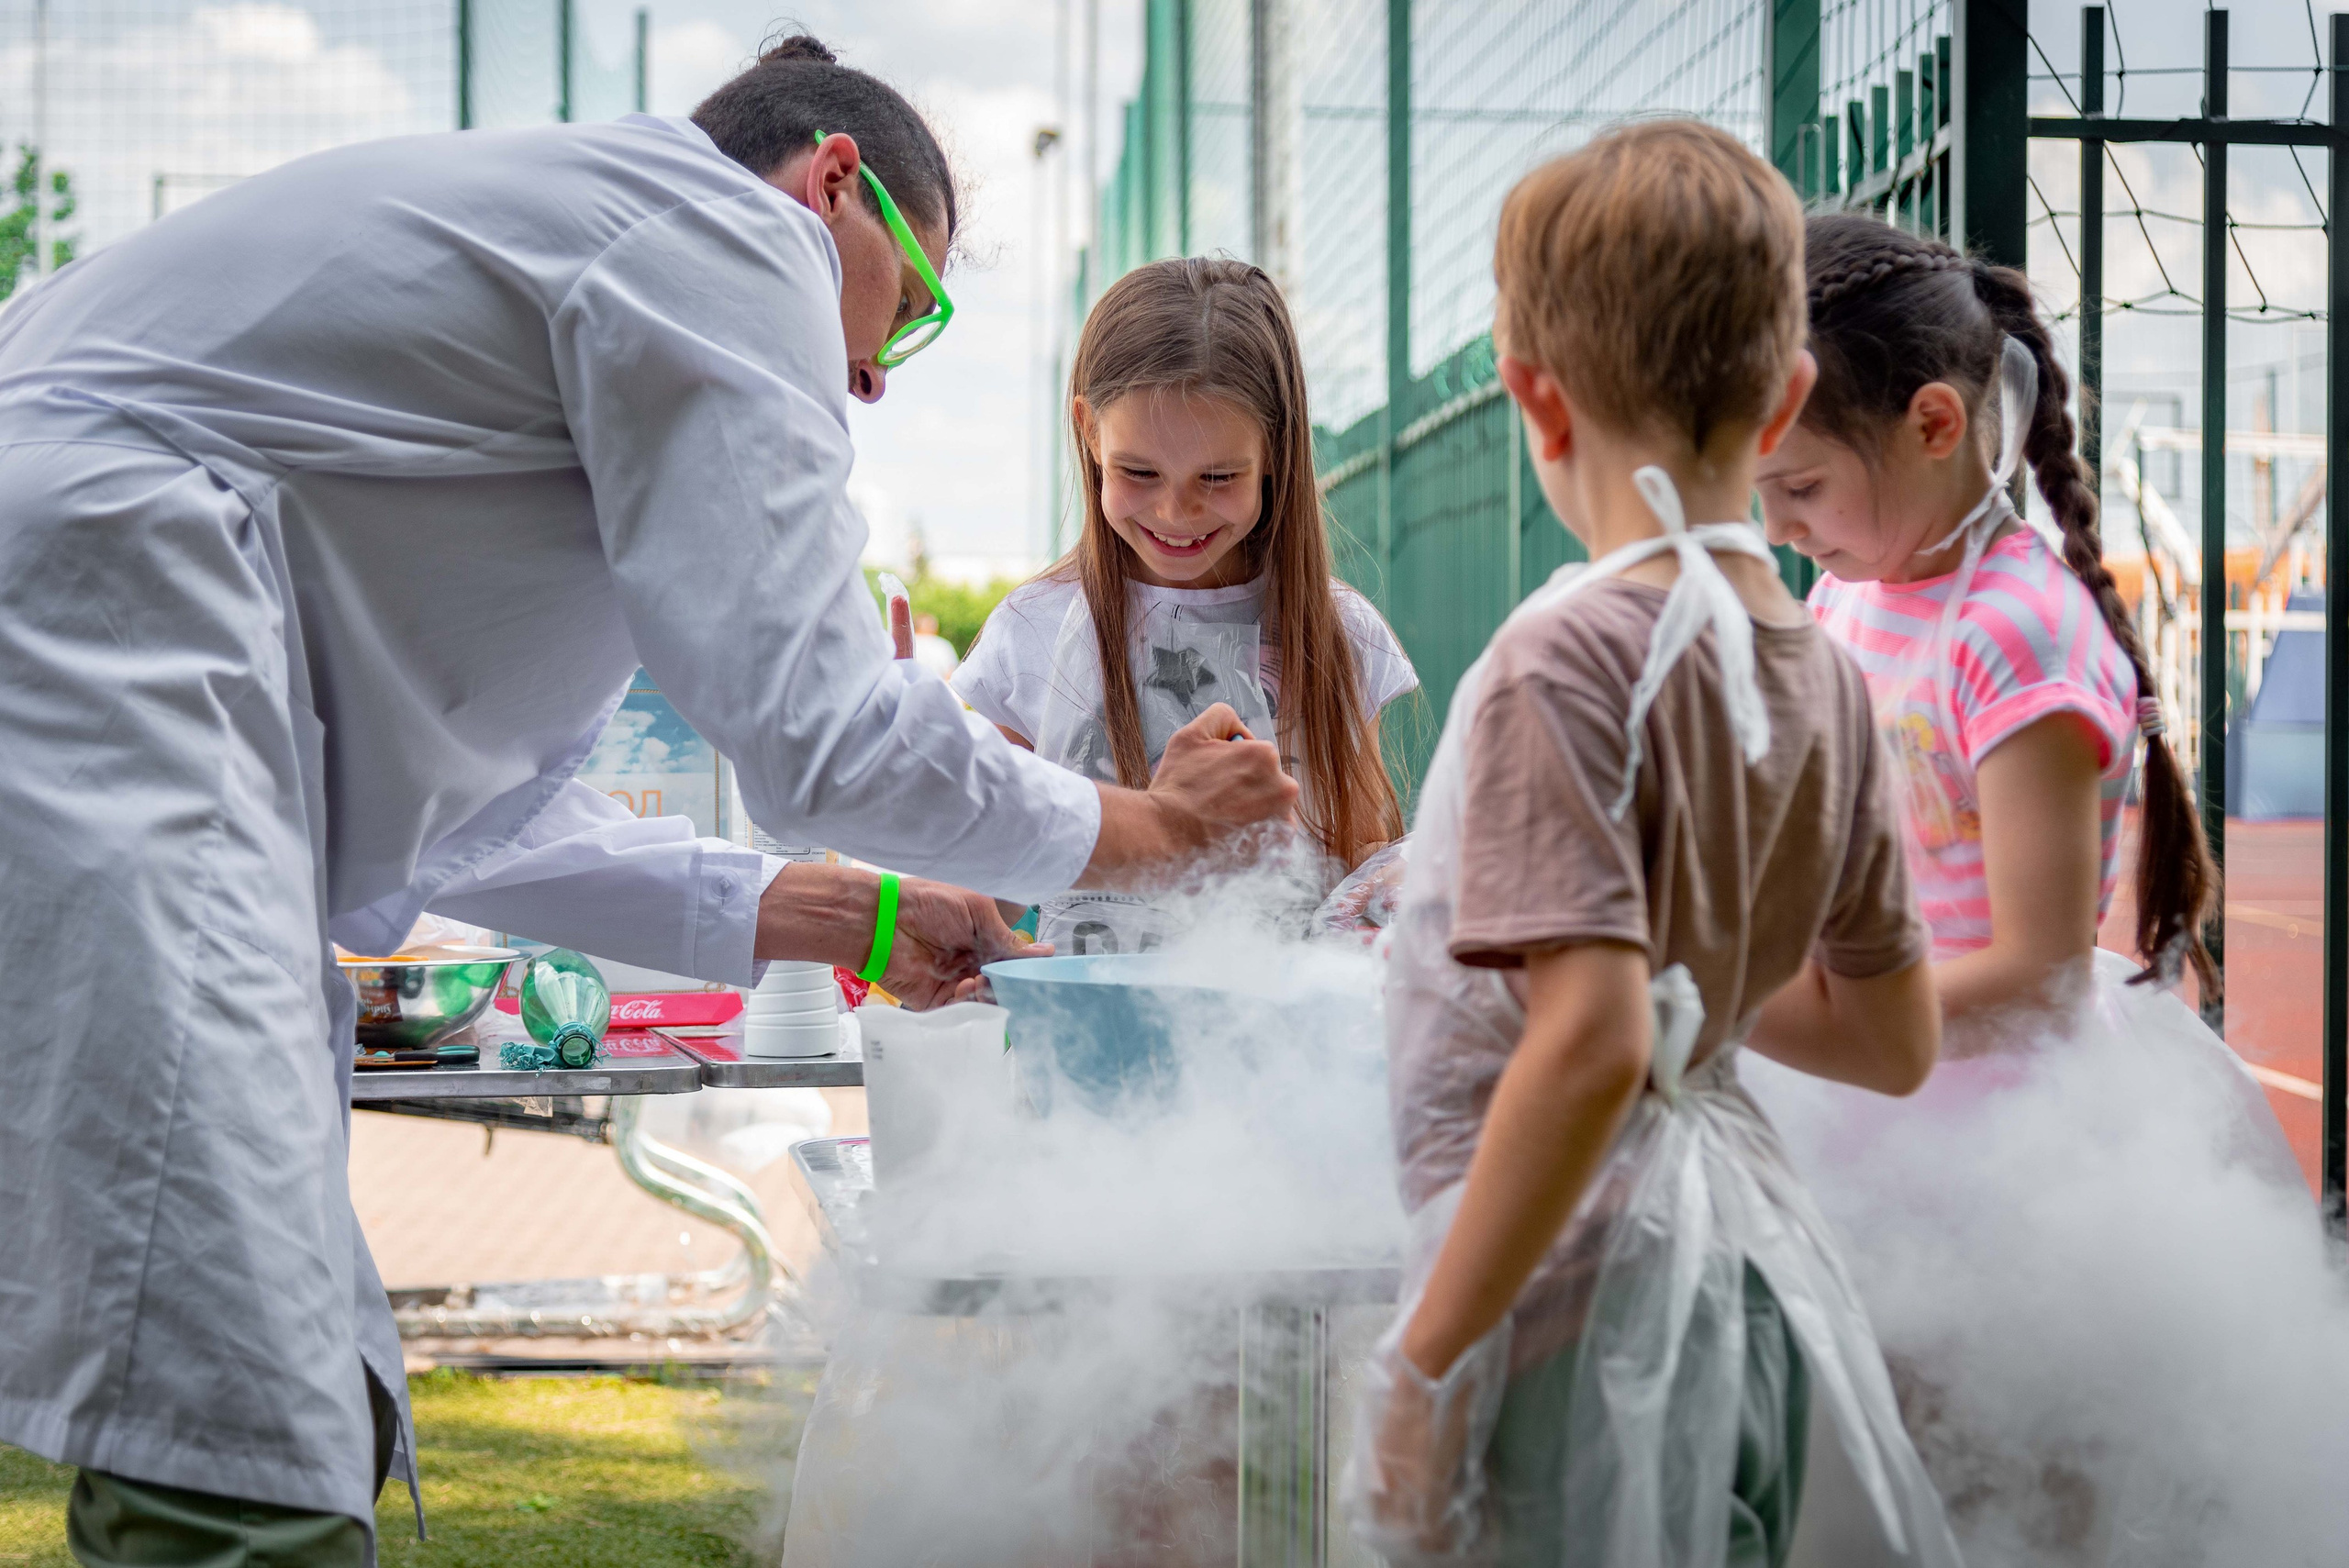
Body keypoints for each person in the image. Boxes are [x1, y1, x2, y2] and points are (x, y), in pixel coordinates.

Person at [0, 35, 1293, 1566]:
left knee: (288, 1375)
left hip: (114, 689)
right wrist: (1148, 827)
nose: (878, 372)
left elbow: (483, 821)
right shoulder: (722, 228)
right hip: (97, 650)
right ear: (832, 184)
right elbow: (818, 735)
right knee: (235, 1419)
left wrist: (862, 907)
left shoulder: (546, 322)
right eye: (915, 306)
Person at [1341, 122, 1963, 1567]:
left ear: (1532, 400)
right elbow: (1893, 1038)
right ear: (1788, 393)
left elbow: (1594, 1039)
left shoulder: (1563, 659)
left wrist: (1428, 1363)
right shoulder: (1822, 672)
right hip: (1750, 1267)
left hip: (1573, 1308)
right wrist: (1695, 990)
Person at [1746, 212, 2321, 1559]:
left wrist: (1748, 1004)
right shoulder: (1853, 591)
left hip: (1994, 1161)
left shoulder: (2018, 632)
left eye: (1803, 487)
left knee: (2002, 1503)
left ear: (1937, 423)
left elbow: (2036, 972)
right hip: (1863, 1097)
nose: (1780, 526)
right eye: (1761, 493)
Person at [952, 257, 1417, 954]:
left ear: (1274, 451)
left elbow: (1364, 867)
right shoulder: (1032, 632)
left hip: (1286, 1052)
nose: (1176, 509)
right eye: (1139, 472)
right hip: (1085, 1045)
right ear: (1089, 433)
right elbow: (983, 882)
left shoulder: (1342, 635)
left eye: (1218, 476)